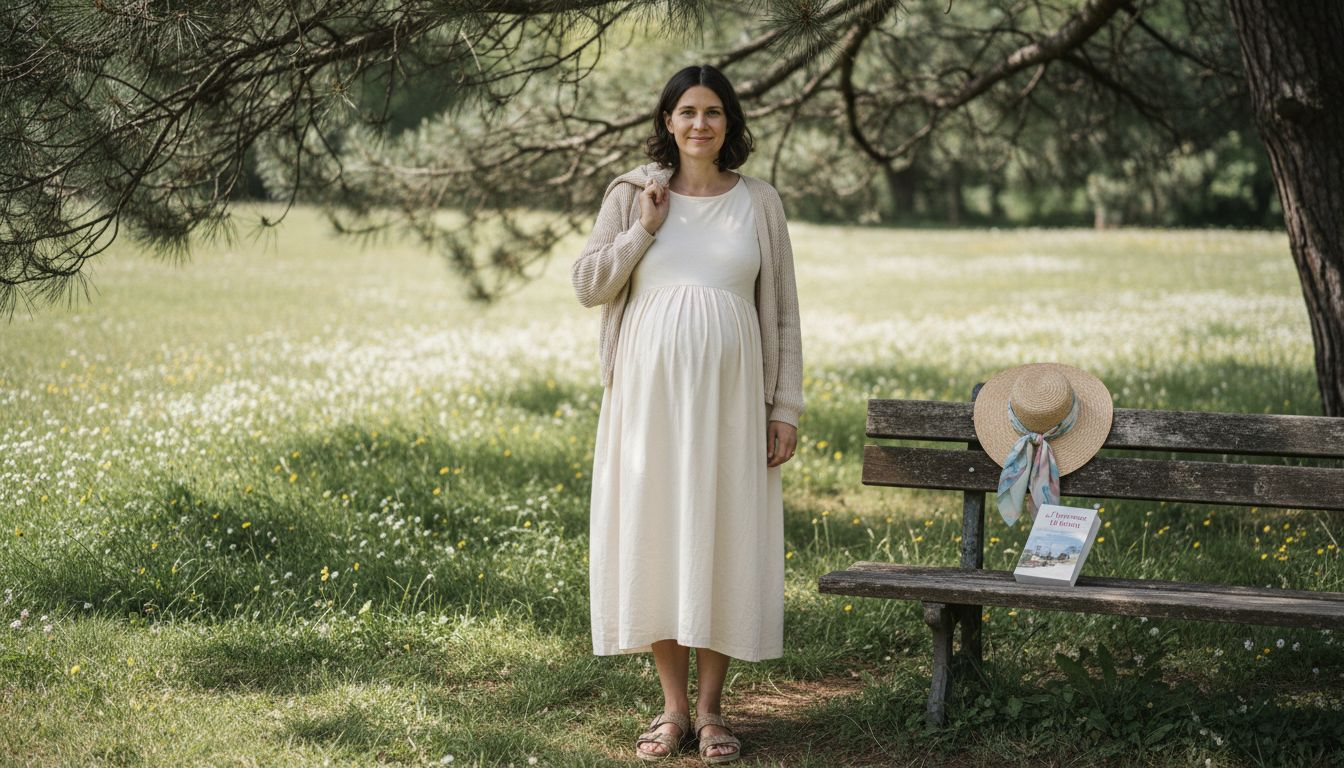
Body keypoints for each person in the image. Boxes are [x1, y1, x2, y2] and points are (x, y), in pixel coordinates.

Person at [571, 64, 804, 764]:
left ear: (729, 122)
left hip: (734, 402)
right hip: (648, 401)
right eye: (687, 112)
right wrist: (643, 229)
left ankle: (711, 711)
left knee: (722, 533)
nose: (700, 124)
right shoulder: (633, 194)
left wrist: (785, 406)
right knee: (658, 533)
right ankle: (672, 710)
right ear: (667, 122)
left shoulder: (759, 202)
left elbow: (784, 314)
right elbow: (588, 284)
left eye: (713, 112)